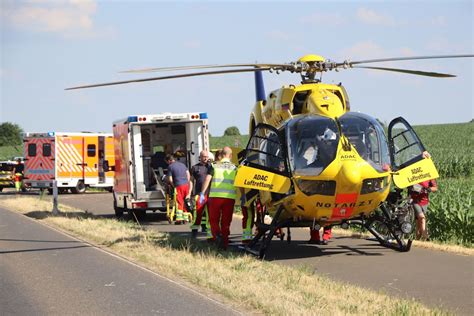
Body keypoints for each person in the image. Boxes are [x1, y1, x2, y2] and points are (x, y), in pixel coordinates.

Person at [200, 147, 244, 250]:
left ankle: (217, 236)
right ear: (230, 155)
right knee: (226, 221)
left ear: (221, 155)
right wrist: (243, 195)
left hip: (215, 197)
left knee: (213, 220)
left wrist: (202, 193)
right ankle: (224, 244)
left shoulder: (214, 165)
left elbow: (207, 179)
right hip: (229, 198)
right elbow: (239, 183)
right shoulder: (235, 167)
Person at [187, 150, 211, 238]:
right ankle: (194, 231)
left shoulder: (211, 167)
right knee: (197, 213)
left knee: (209, 214)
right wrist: (189, 193)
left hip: (210, 194)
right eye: (204, 157)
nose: (205, 158)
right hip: (199, 195)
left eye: (207, 157)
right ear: (200, 157)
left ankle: (209, 233)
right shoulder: (195, 168)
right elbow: (191, 181)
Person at [165, 154, 191, 224]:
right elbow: (188, 174)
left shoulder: (170, 166)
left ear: (169, 161)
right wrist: (187, 182)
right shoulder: (183, 165)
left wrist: (174, 186)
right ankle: (185, 219)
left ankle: (179, 219)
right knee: (185, 201)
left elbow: (170, 179)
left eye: (167, 162)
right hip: (186, 185)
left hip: (178, 186)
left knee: (179, 202)